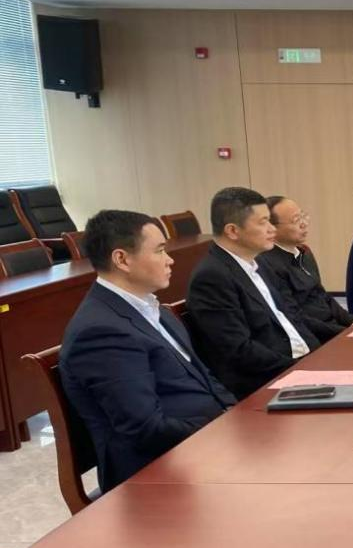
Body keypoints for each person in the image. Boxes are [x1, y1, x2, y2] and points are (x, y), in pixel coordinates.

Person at [59, 210, 235, 492]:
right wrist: (221, 429)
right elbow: (146, 429)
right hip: (155, 470)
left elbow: (203, 376)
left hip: (200, 442)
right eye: (160, 250)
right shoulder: (100, 332)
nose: (170, 259)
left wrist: (236, 413)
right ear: (122, 259)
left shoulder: (151, 307)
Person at [185, 187, 321, 399]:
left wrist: (318, 355)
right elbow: (239, 350)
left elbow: (292, 316)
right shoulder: (212, 277)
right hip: (263, 384)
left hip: (296, 366)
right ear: (233, 231)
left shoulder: (259, 263)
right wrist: (298, 368)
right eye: (263, 222)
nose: (272, 229)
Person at [257, 195, 353, 341]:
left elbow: (323, 296)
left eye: (302, 216)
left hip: (333, 328)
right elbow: (295, 318)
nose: (304, 224)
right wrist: (343, 332)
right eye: (296, 220)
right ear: (272, 228)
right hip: (312, 337)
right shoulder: (268, 264)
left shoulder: (304, 253)